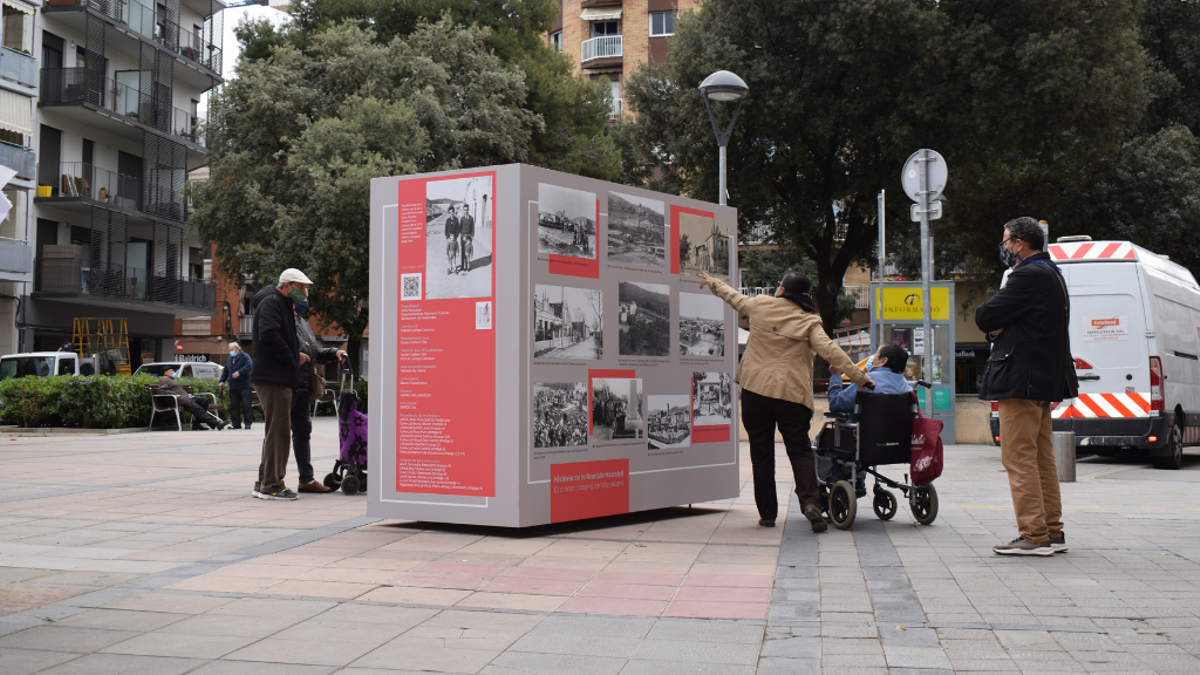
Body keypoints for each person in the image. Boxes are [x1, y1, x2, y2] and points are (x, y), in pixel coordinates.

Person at [699, 270, 874, 531]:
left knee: (761, 454)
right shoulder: (809, 320)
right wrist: (860, 378)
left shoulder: (760, 305)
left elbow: (734, 298)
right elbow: (830, 350)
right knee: (800, 451)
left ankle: (768, 515)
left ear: (781, 289)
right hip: (792, 395)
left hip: (755, 391)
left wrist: (714, 283)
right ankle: (811, 504)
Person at [976, 217, 1078, 556]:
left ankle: (1034, 535)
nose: (1004, 248)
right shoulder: (1053, 275)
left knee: (1018, 458)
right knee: (1041, 458)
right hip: (1041, 381)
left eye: (1006, 242)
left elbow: (986, 316)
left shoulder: (1026, 275)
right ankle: (1052, 531)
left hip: (1020, 379)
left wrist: (998, 325)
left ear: (1020, 243)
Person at [251, 268, 311, 501]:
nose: (305, 292)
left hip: (273, 375)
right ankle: (273, 485)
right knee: (279, 432)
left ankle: (264, 482)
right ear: (287, 286)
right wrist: (292, 357)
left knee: (274, 431)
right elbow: (268, 335)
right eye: (301, 287)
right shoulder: (273, 302)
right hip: (273, 376)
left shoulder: (278, 303)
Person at [828, 343, 913, 495]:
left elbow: (836, 404)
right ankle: (858, 480)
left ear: (883, 361)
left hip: (863, 441)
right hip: (897, 444)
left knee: (825, 440)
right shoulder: (907, 389)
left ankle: (834, 481)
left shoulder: (866, 382)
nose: (872, 357)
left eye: (876, 353)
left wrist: (835, 377)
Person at [290, 297, 346, 494]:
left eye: (308, 296)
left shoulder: (302, 321)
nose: (306, 299)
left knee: (303, 431)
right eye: (302, 295)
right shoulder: (283, 318)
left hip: (303, 385)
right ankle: (269, 479)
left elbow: (312, 353)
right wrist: (293, 356)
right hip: (287, 384)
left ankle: (306, 479)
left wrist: (334, 352)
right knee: (277, 433)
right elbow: (274, 347)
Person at [157, 368, 228, 430]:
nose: (173, 371)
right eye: (171, 370)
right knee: (197, 409)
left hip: (186, 398)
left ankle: (197, 424)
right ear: (165, 372)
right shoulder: (164, 379)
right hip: (181, 400)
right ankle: (216, 424)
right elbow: (161, 391)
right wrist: (174, 394)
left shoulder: (170, 379)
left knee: (204, 401)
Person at [218, 341, 253, 430]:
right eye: (229, 350)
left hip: (244, 385)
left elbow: (249, 366)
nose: (230, 351)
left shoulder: (245, 357)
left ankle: (248, 423)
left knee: (246, 405)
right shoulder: (229, 359)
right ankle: (236, 424)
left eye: (232, 349)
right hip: (233, 386)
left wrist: (239, 372)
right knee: (234, 406)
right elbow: (226, 371)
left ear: (238, 349)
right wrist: (222, 381)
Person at [458, 204, 475, 275]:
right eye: (465, 210)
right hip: (463, 237)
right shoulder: (462, 219)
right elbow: (460, 228)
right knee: (463, 252)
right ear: (463, 210)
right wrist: (462, 235)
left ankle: (468, 266)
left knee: (468, 252)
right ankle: (462, 266)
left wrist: (471, 236)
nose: (466, 211)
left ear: (469, 210)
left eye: (467, 210)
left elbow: (473, 229)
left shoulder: (471, 218)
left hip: (469, 237)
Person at [444, 206, 460, 275]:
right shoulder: (447, 220)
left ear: (454, 212)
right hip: (449, 238)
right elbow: (446, 230)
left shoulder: (456, 220)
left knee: (454, 255)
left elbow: (458, 229)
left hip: (454, 237)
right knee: (449, 256)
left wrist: (456, 236)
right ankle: (450, 268)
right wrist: (448, 237)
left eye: (452, 212)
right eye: (450, 212)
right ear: (449, 213)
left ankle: (454, 268)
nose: (451, 213)